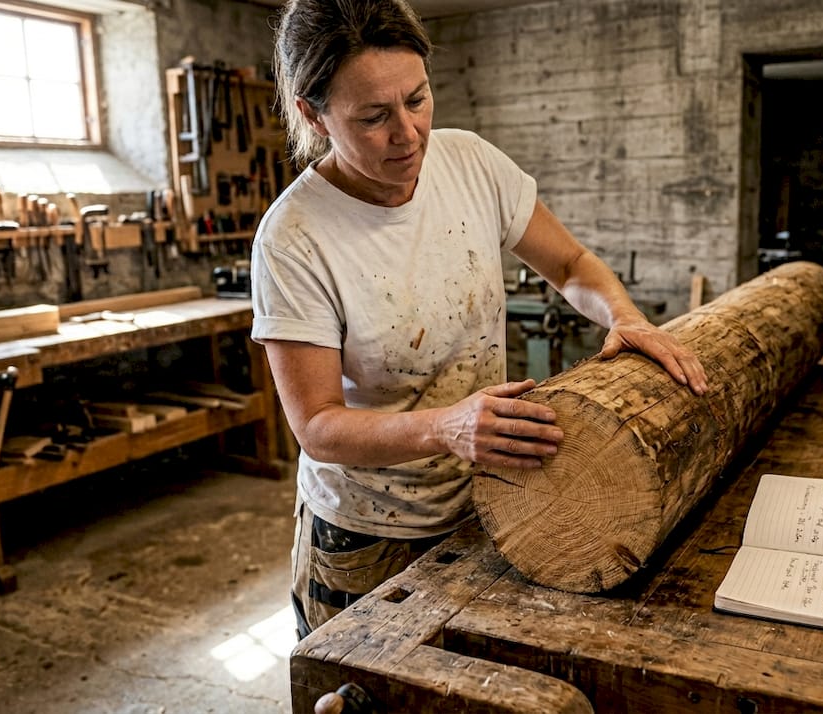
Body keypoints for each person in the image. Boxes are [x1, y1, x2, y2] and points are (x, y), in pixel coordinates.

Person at [252, 0, 708, 638]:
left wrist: (625, 316)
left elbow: (572, 264)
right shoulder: (294, 237)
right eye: (374, 117)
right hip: (369, 531)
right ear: (314, 114)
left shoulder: (470, 163)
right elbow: (319, 427)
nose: (408, 135)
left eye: (417, 100)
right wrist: (446, 425)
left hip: (492, 498)